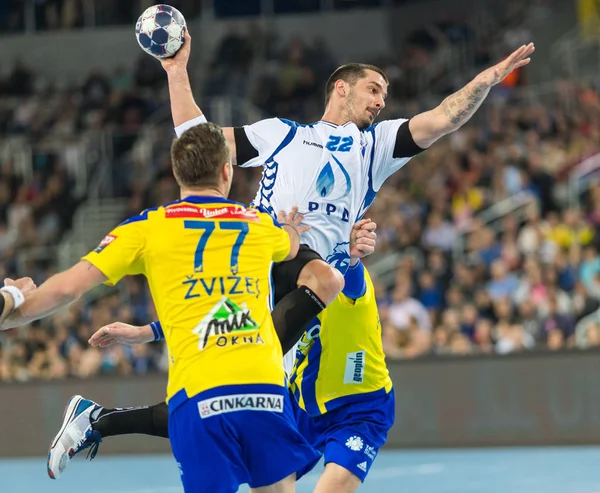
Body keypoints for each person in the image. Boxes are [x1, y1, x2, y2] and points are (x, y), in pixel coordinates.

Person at [46, 29, 534, 491]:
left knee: (229, 401)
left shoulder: (375, 146)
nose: (382, 100)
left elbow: (444, 117)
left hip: (310, 283)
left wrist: (487, 79)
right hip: (266, 259)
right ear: (340, 88)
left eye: (385, 94)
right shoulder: (282, 133)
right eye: (373, 89)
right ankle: (102, 417)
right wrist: (176, 72)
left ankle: (100, 421)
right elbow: (199, 139)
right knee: (230, 396)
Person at [2, 123, 322, 493]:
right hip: (264, 390)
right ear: (226, 171)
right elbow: (291, 245)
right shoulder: (260, 227)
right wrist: (292, 228)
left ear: (176, 173)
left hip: (200, 398)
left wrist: (15, 308)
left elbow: (69, 287)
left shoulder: (147, 228)